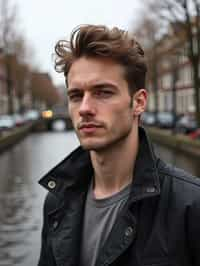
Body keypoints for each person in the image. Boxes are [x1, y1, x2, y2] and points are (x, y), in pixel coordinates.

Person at [38, 25, 200, 266]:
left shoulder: (191, 205)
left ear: (138, 102)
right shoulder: (56, 202)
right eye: (75, 96)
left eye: (103, 92)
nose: (84, 108)